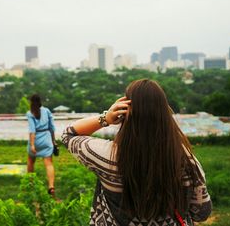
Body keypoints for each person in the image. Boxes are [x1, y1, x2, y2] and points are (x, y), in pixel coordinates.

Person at [61, 79, 212, 226]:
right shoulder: (185, 161)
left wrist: (105, 118)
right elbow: (201, 213)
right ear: (164, 113)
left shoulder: (105, 157)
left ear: (125, 112)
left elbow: (68, 134)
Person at [27, 94, 57, 197]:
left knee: (31, 161)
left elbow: (32, 131)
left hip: (36, 140)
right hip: (47, 138)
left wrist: (32, 145)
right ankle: (51, 186)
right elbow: (52, 128)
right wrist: (53, 141)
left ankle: (31, 183)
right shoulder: (47, 111)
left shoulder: (30, 113)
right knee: (49, 164)